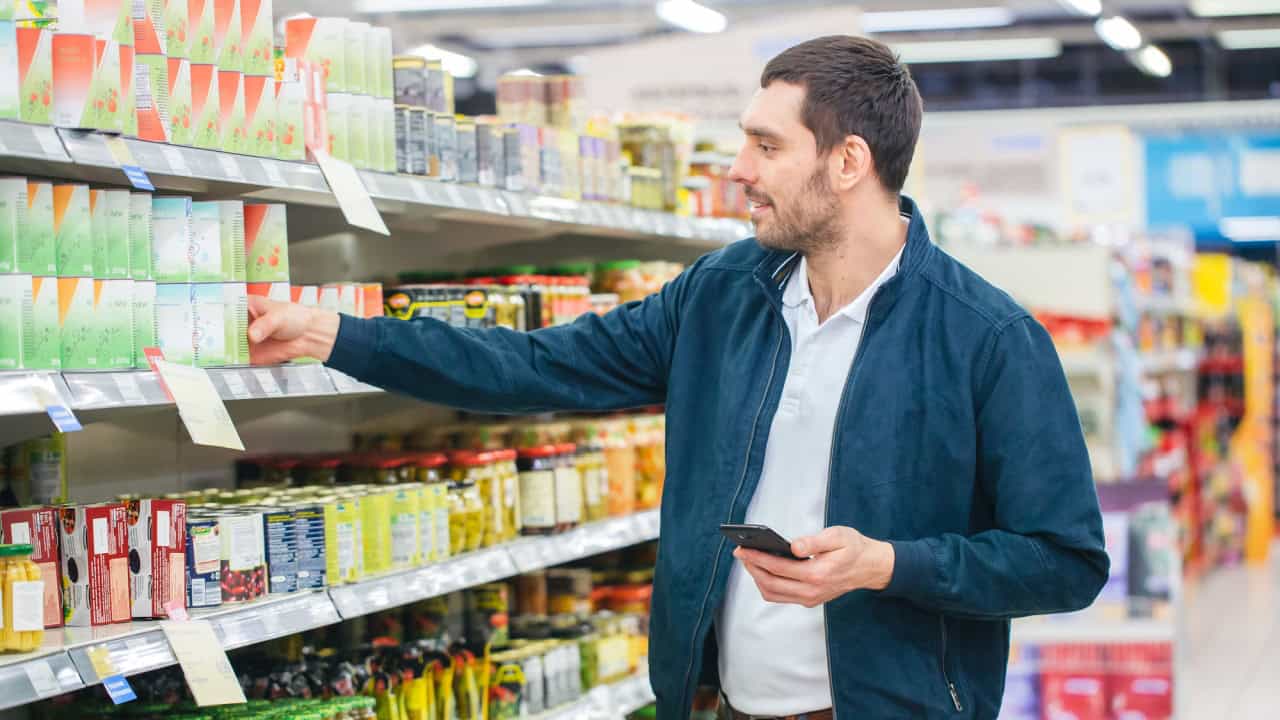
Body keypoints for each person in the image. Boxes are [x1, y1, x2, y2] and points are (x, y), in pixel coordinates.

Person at [248, 35, 1108, 720]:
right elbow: (537, 363)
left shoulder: (988, 338)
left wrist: (887, 564)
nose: (739, 169)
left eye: (767, 146)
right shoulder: (723, 295)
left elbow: (1064, 561)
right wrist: (339, 335)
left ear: (848, 163)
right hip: (720, 703)